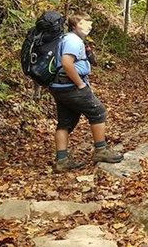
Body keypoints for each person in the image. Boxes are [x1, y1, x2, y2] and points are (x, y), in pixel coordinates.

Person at [49, 13, 123, 171]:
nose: (89, 25)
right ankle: (101, 150)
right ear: (75, 25)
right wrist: (80, 84)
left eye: (90, 23)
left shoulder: (65, 38)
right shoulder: (73, 41)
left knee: (65, 123)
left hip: (59, 86)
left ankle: (61, 161)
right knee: (98, 112)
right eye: (84, 23)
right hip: (70, 86)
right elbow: (67, 63)